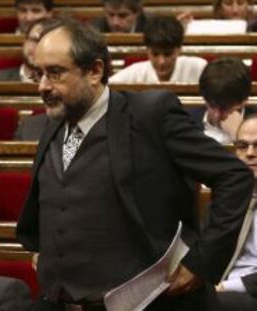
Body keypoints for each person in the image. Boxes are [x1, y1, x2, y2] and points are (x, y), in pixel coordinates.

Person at [16, 18, 253, 310]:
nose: (42, 86)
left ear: (95, 70)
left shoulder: (150, 115)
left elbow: (235, 176)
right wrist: (47, 249)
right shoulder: (52, 124)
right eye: (37, 74)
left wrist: (201, 263)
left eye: (55, 73)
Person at [216, 115, 257, 310]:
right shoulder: (227, 199)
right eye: (242, 145)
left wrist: (225, 287)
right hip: (219, 289)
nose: (250, 153)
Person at [109, 16, 207, 83]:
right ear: (147, 50)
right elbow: (108, 88)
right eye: (155, 54)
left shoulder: (199, 67)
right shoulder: (136, 72)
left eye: (168, 54)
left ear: (178, 49)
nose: (161, 62)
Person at [190, 57, 256, 145]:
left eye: (225, 108)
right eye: (212, 106)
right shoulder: (186, 121)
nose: (217, 115)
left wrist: (239, 134)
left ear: (244, 101)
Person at [0, 18, 57, 82]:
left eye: (45, 43)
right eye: (34, 40)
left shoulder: (62, 85)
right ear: (25, 42)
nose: (38, 48)